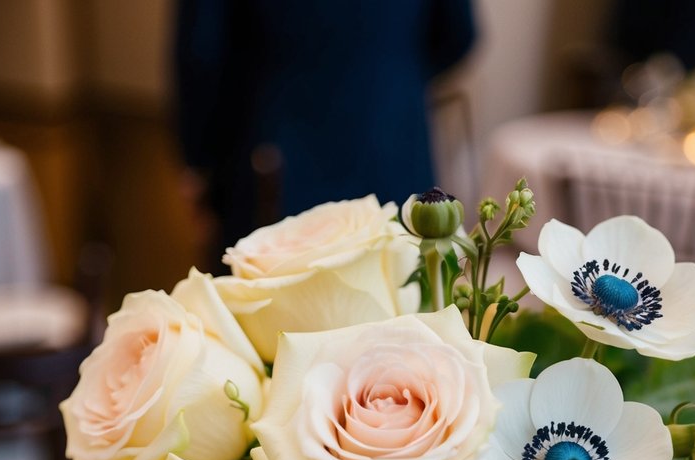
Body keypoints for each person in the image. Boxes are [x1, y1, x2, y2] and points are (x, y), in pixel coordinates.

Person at [172, 0, 477, 266]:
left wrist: (199, 161)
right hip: (392, 147)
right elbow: (458, 34)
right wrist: (392, 80)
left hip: (275, 149)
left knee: (263, 321)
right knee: (402, 315)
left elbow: (202, 51)